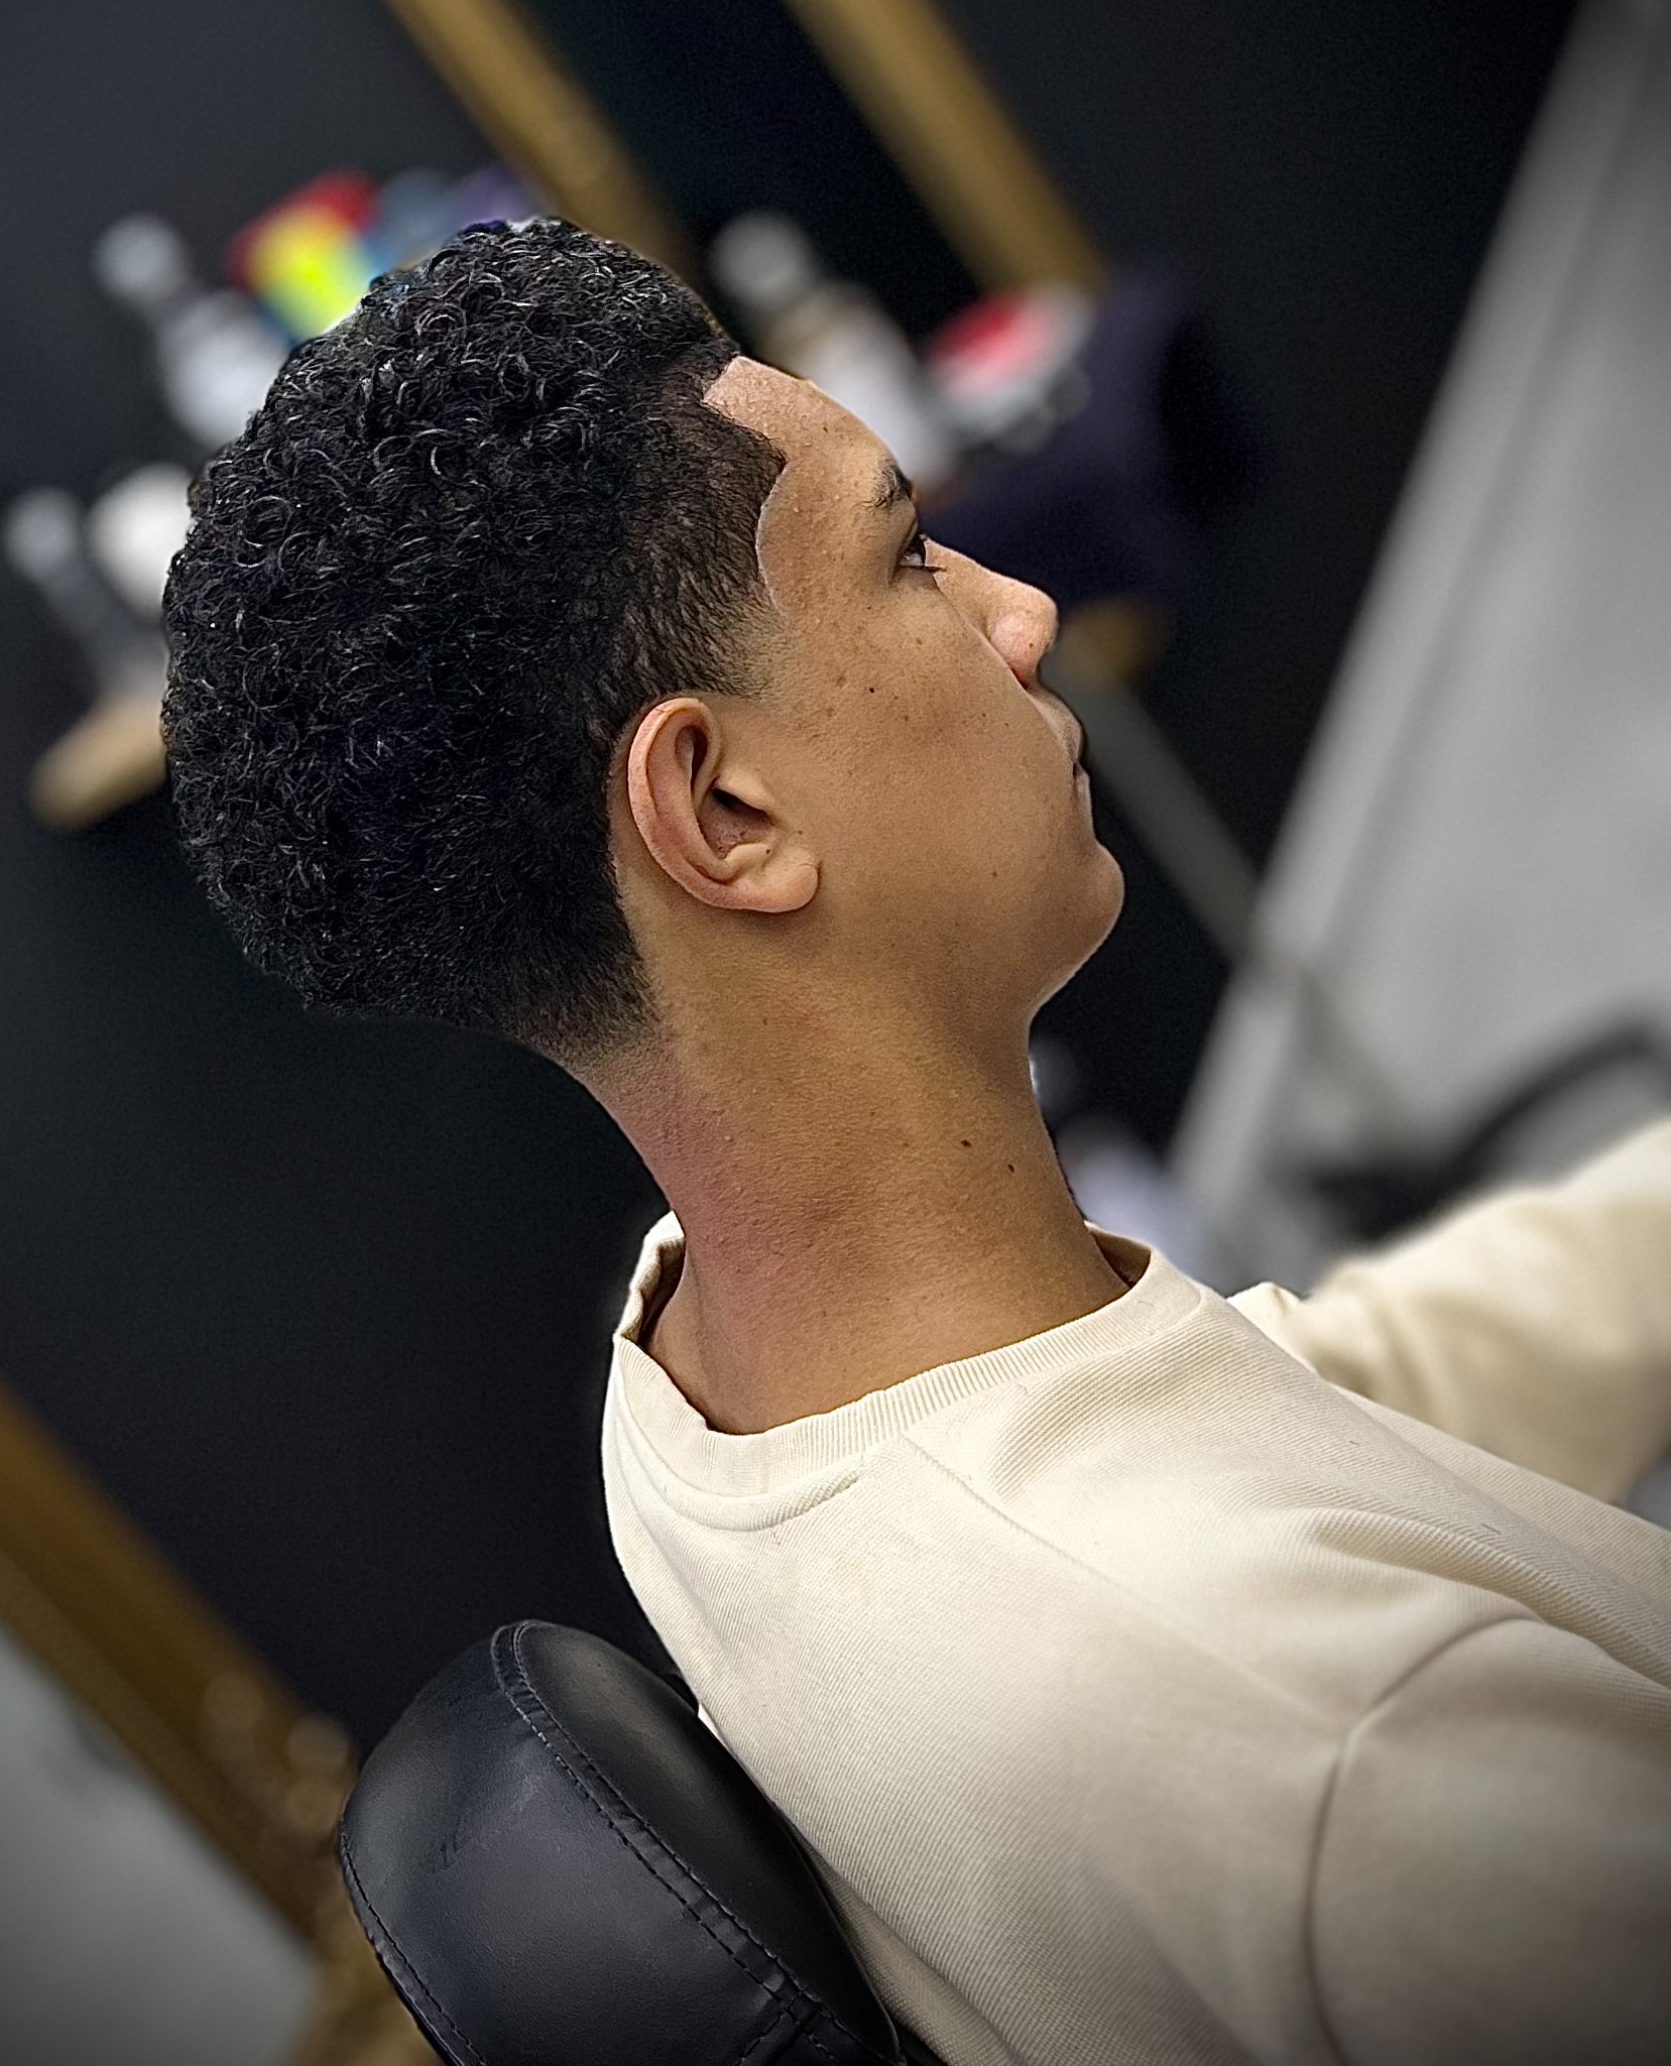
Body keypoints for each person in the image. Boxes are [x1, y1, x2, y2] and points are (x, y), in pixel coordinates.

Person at [163, 220, 1671, 2065]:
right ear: (722, 806)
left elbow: (1336, 1399)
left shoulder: (717, 1393)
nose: (1018, 608)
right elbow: (1295, 1609)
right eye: (908, 555)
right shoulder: (1340, 1738)